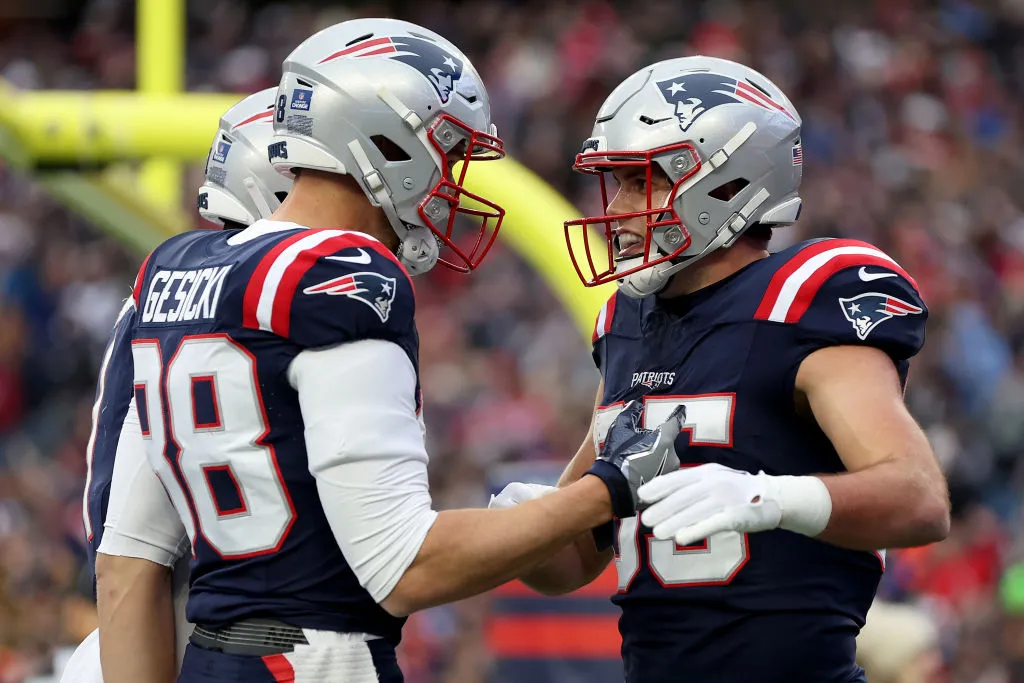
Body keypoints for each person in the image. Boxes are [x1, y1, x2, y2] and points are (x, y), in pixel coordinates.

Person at [93, 18, 680, 683]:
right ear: (386, 137)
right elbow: (403, 566)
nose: (452, 180)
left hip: (213, 658)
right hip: (316, 661)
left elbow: (126, 566)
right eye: (449, 151)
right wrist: (607, 488)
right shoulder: (344, 274)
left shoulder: (173, 267)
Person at [490, 56, 950, 683]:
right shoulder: (629, 323)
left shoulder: (799, 301)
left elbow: (921, 498)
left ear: (727, 182)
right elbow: (574, 560)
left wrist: (772, 497)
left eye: (640, 181)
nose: (619, 206)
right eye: (616, 183)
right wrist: (527, 527)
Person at [61, 86, 293, 683]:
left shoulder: (200, 288)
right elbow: (130, 552)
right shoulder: (246, 304)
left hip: (195, 625)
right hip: (193, 635)